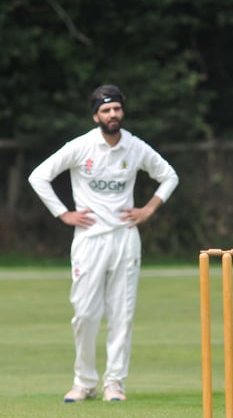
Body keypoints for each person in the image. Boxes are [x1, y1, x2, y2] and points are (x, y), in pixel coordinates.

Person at [28, 84, 179, 403]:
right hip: (89, 239)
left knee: (121, 313)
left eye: (117, 109)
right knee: (84, 313)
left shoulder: (134, 147)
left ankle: (115, 384)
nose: (113, 115)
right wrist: (64, 214)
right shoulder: (81, 146)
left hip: (125, 238)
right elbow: (38, 176)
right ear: (95, 114)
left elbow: (169, 176)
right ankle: (84, 382)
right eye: (107, 110)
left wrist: (148, 209)